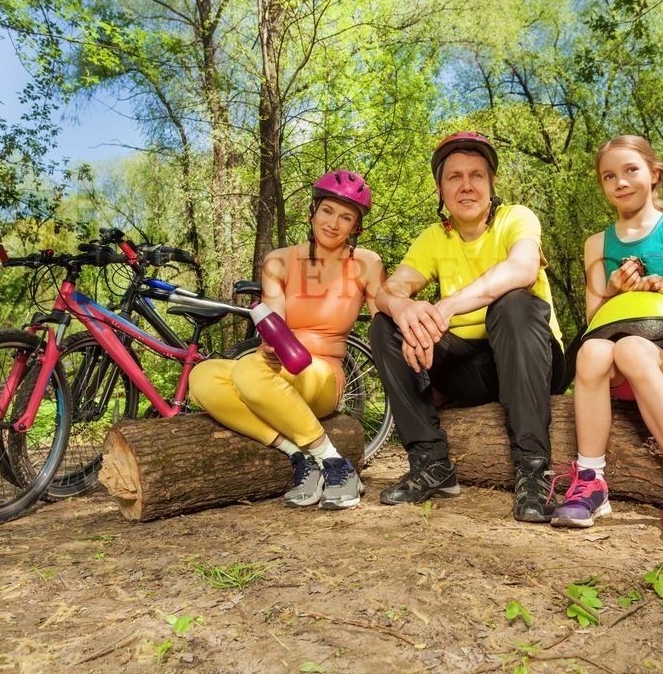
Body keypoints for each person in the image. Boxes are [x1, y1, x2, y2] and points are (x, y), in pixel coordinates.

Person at [369, 131, 564, 523]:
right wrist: (405, 311)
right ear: (441, 190)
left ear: (492, 185)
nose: (466, 185)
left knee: (512, 302)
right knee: (383, 324)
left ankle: (534, 471)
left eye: (476, 175)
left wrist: (444, 309)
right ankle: (431, 463)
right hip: (471, 370)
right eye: (454, 177)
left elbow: (522, 268)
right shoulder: (434, 238)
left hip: (532, 356)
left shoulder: (516, 218)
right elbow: (390, 289)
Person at [551, 134, 663, 541]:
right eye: (609, 176)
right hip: (618, 368)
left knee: (632, 349)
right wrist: (613, 289)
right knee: (594, 351)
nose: (621, 182)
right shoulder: (596, 244)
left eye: (631, 170)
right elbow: (595, 319)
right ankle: (591, 482)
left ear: (653, 172)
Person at [189, 171, 384, 510]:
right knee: (201, 377)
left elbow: (383, 316)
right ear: (312, 211)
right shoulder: (279, 260)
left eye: (346, 217)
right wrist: (271, 340)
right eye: (327, 211)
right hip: (278, 365)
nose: (333, 224)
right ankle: (303, 457)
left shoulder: (365, 263)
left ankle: (337, 464)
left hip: (322, 375)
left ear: (356, 227)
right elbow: (274, 313)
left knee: (248, 372)